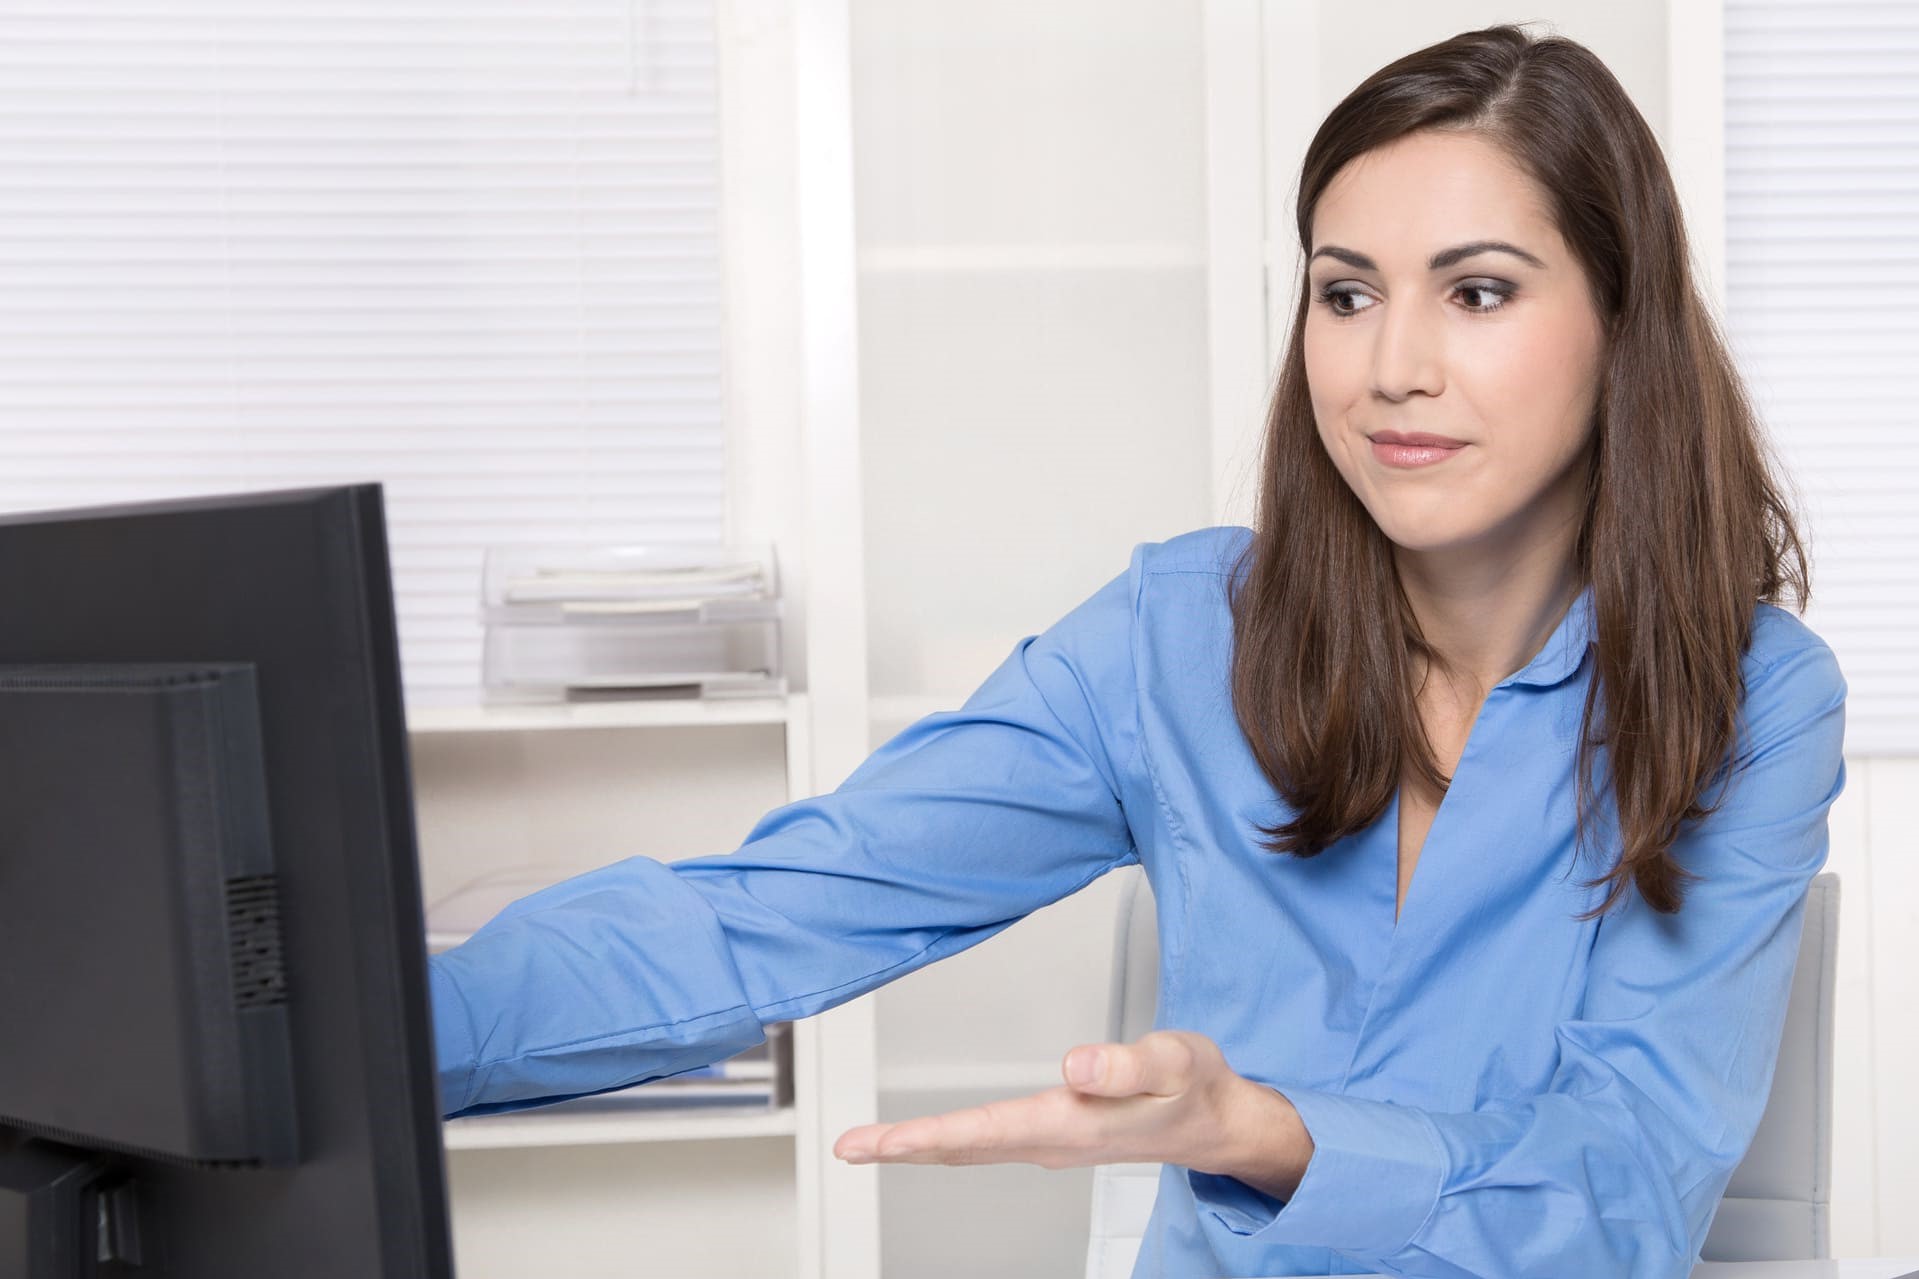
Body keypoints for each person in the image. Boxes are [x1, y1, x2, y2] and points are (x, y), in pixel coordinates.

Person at [426, 22, 1847, 1279]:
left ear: (1622, 323)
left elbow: (1626, 1190)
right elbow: (767, 912)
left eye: (1477, 292)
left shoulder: (1751, 699)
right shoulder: (1179, 643)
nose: (1388, 365)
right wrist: (340, 1039)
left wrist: (1273, 1136)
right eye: (1345, 294)